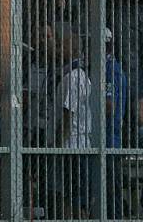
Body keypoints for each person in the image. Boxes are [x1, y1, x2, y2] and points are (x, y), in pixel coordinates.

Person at [48, 27, 91, 218]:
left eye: (61, 45)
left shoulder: (75, 77)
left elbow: (68, 115)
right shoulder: (70, 75)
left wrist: (57, 146)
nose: (57, 48)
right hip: (73, 145)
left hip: (72, 146)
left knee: (72, 198)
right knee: (68, 196)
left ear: (73, 50)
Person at [105, 28, 127, 219]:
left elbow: (109, 105)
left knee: (111, 192)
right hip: (106, 139)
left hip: (109, 140)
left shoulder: (111, 70)